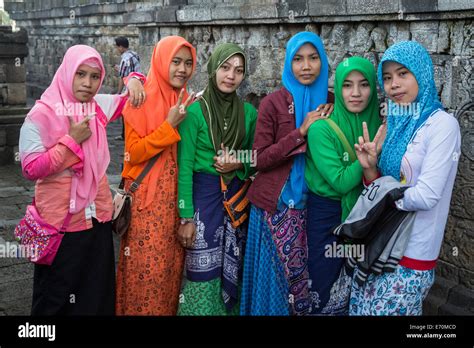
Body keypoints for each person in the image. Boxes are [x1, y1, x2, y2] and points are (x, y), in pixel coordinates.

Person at [18, 44, 146, 315]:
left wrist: (133, 79)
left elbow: (128, 99)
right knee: (54, 298)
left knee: (94, 294)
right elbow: (30, 168)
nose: (88, 84)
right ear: (67, 73)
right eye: (80, 75)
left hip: (97, 219)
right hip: (60, 225)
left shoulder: (96, 107)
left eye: (94, 77)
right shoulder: (41, 114)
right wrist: (70, 142)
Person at [350, 41, 461, 315]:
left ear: (421, 74)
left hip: (412, 253)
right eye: (387, 78)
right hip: (379, 244)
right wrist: (369, 169)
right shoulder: (394, 124)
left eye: (403, 74)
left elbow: (426, 196)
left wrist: (385, 196)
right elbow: (382, 185)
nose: (394, 84)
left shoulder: (442, 125)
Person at [241, 32, 334, 316]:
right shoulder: (273, 103)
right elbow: (258, 158)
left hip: (317, 208)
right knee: (275, 286)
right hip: (276, 207)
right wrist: (300, 132)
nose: (306, 66)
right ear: (288, 64)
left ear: (323, 62)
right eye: (298, 59)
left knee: (308, 285)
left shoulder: (332, 102)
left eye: (313, 58)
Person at [115, 36, 196, 315]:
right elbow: (133, 154)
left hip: (174, 202)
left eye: (188, 63)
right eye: (175, 61)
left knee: (169, 275)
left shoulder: (185, 98)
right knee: (144, 273)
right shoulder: (140, 99)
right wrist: (168, 126)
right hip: (146, 204)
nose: (182, 69)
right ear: (162, 61)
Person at [176, 43, 257, 316]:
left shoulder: (248, 114)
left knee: (234, 269)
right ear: (213, 69)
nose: (231, 76)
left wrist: (239, 162)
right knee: (202, 272)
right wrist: (186, 217)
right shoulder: (195, 113)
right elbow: (184, 166)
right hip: (203, 201)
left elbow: (259, 157)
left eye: (238, 70)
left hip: (235, 201)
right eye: (225, 67)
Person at [305, 56, 382, 315]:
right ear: (338, 89)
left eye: (364, 84)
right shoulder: (321, 129)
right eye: (347, 85)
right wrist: (366, 160)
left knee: (357, 286)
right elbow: (340, 182)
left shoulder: (382, 127)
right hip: (327, 216)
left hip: (365, 216)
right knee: (324, 284)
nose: (356, 93)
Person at [114, 36, 142, 140]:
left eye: (117, 47)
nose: (117, 50)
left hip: (129, 88)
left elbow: (123, 77)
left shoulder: (125, 59)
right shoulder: (134, 54)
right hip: (138, 84)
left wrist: (119, 92)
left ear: (121, 47)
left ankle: (125, 135)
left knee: (125, 112)